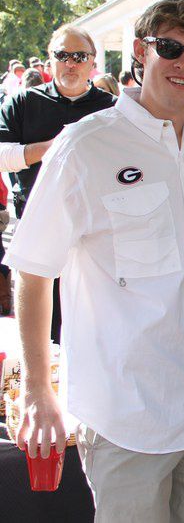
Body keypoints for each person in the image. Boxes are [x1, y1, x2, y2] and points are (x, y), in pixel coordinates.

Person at [5, 0, 184, 521]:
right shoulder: (85, 145)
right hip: (127, 414)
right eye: (170, 48)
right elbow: (32, 268)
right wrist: (39, 391)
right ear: (140, 50)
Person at [0, 25, 115, 344]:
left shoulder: (112, 108)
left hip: (97, 232)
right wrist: (55, 146)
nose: (70, 63)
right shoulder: (23, 102)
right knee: (44, 330)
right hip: (38, 226)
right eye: (63, 55)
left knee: (93, 327)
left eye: (79, 56)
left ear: (92, 61)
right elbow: (2, 155)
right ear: (50, 60)